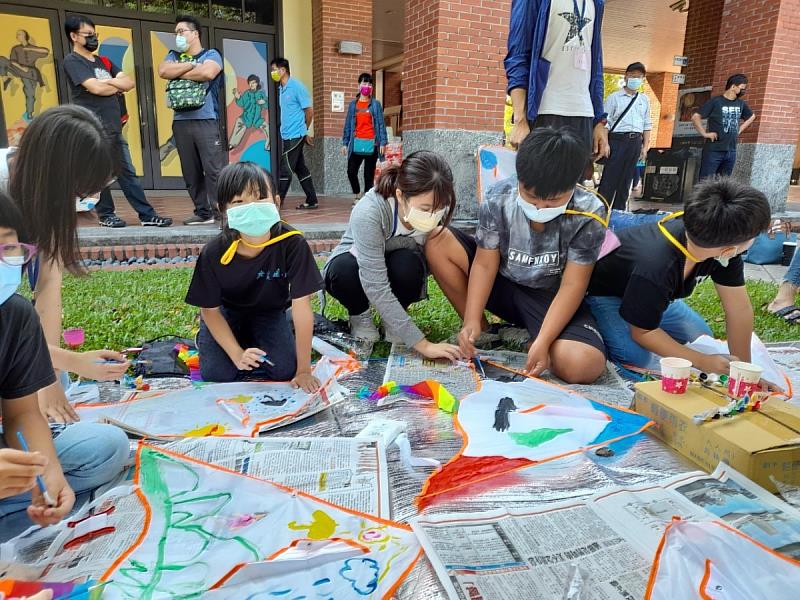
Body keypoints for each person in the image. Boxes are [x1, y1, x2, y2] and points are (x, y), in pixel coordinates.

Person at [426, 128, 608, 383]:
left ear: (573, 186)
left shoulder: (589, 212)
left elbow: (573, 284)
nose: (540, 207)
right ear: (519, 177)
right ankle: (484, 331)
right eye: (531, 196)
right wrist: (470, 319)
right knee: (436, 240)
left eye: (554, 201)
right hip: (503, 284)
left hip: (549, 298)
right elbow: (484, 264)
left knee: (583, 365)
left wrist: (544, 341)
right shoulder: (499, 197)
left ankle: (533, 338)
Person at [0, 191, 128, 541]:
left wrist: (50, 473)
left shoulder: (14, 315)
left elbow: (21, 415)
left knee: (106, 448)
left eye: (8, 248)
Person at [7, 105, 132, 424]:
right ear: (54, 175)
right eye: (80, 191)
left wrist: (51, 373)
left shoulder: (42, 196)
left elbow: (48, 287)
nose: (85, 202)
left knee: (56, 384)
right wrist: (68, 361)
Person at [586, 178, 771, 372]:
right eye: (754, 237)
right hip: (605, 295)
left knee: (700, 336)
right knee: (636, 358)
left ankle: (646, 318)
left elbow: (739, 309)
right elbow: (643, 332)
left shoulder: (722, 250)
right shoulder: (657, 265)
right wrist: (701, 361)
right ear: (728, 250)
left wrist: (742, 369)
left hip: (651, 295)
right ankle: (593, 328)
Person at [185, 162, 321, 392]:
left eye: (259, 198)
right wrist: (236, 354)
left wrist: (304, 371)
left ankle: (274, 331)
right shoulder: (214, 251)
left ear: (276, 202)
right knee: (217, 374)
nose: (251, 207)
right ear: (223, 209)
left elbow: (301, 306)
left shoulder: (292, 243)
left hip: (269, 312)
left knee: (285, 370)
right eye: (239, 202)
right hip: (227, 313)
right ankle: (224, 339)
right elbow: (209, 310)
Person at [324, 151, 463, 361]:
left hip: (397, 264)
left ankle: (395, 321)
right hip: (356, 267)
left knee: (406, 264)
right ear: (400, 195)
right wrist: (422, 344)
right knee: (345, 270)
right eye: (425, 208)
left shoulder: (436, 211)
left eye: (439, 208)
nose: (433, 215)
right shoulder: (371, 211)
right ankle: (360, 317)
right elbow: (375, 285)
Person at [63, 14, 171, 229]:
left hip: (113, 127)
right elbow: (96, 88)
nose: (94, 39)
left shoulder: (103, 61)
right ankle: (106, 215)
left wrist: (107, 83)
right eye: (88, 35)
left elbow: (128, 82)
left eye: (95, 35)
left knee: (127, 173)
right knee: (99, 176)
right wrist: (113, 84)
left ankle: (147, 215)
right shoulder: (73, 61)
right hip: (92, 129)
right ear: (74, 36)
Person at [505, 0, 610, 163]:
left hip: (583, 115)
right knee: (539, 186)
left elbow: (595, 63)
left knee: (574, 187)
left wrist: (599, 121)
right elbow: (518, 57)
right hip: (544, 113)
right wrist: (520, 119)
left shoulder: (596, 3)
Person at [158, 15, 225, 226]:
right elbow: (163, 71)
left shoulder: (212, 54)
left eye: (181, 31)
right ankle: (202, 212)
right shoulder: (173, 55)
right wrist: (190, 67)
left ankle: (221, 213)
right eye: (175, 32)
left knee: (213, 169)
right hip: (180, 121)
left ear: (195, 33)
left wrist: (180, 71)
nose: (177, 36)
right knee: (190, 171)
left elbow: (208, 71)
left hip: (206, 119)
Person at [597, 62, 652, 210]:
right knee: (609, 179)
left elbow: (647, 125)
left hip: (635, 142)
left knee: (626, 180)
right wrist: (605, 143)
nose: (636, 79)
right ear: (626, 76)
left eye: (639, 77)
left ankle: (619, 212)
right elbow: (605, 123)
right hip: (617, 141)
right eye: (633, 76)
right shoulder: (614, 97)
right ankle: (601, 211)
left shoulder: (644, 100)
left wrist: (645, 147)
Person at [270, 57, 318, 210]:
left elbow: (309, 110)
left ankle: (278, 201)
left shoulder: (297, 87)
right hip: (287, 134)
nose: (272, 72)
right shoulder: (281, 89)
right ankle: (312, 200)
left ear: (283, 70)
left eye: (274, 69)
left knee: (286, 168)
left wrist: (304, 130)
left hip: (295, 134)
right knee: (299, 168)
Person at [692, 74, 756, 179]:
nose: (743, 91)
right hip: (714, 150)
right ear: (733, 86)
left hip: (731, 151)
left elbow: (751, 116)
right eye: (742, 88)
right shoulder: (716, 101)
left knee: (724, 183)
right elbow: (695, 117)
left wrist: (739, 129)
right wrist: (704, 133)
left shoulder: (741, 104)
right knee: (706, 182)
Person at [341, 73, 388, 202]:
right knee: (351, 171)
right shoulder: (353, 105)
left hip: (372, 144)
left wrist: (383, 143)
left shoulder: (375, 104)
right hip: (356, 143)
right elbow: (348, 125)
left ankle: (366, 202)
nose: (366, 86)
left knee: (368, 175)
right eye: (364, 83)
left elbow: (380, 124)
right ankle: (357, 193)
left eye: (369, 84)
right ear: (359, 85)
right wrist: (345, 143)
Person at [0, 29, 49, 122]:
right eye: (17, 35)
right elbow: (12, 61)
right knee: (1, 59)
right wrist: (22, 68)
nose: (18, 36)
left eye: (20, 34)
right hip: (18, 69)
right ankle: (5, 78)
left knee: (30, 93)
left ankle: (29, 113)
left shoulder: (33, 48)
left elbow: (46, 51)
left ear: (25, 36)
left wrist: (30, 48)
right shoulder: (15, 48)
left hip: (31, 73)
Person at [228, 74, 270, 151]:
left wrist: (263, 102)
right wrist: (238, 96)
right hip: (246, 117)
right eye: (250, 83)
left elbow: (267, 105)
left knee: (268, 129)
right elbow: (242, 103)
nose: (251, 85)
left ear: (257, 83)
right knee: (239, 124)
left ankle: (268, 146)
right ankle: (232, 144)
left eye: (253, 83)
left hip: (257, 119)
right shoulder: (247, 93)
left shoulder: (261, 94)